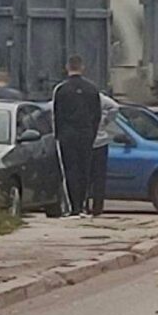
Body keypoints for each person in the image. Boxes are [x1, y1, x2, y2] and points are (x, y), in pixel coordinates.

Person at [52, 55, 101, 218]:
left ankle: (74, 207)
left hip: (68, 135)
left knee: (70, 170)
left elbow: (57, 114)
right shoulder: (92, 89)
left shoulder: (61, 89)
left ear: (68, 67)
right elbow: (97, 115)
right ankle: (83, 205)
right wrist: (92, 133)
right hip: (86, 134)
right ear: (82, 67)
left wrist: (58, 135)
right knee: (84, 170)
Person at [87, 93, 119, 217]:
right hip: (100, 142)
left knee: (84, 177)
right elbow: (115, 107)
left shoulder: (83, 96)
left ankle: (83, 206)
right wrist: (106, 120)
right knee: (99, 178)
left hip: (86, 142)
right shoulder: (98, 97)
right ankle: (97, 208)